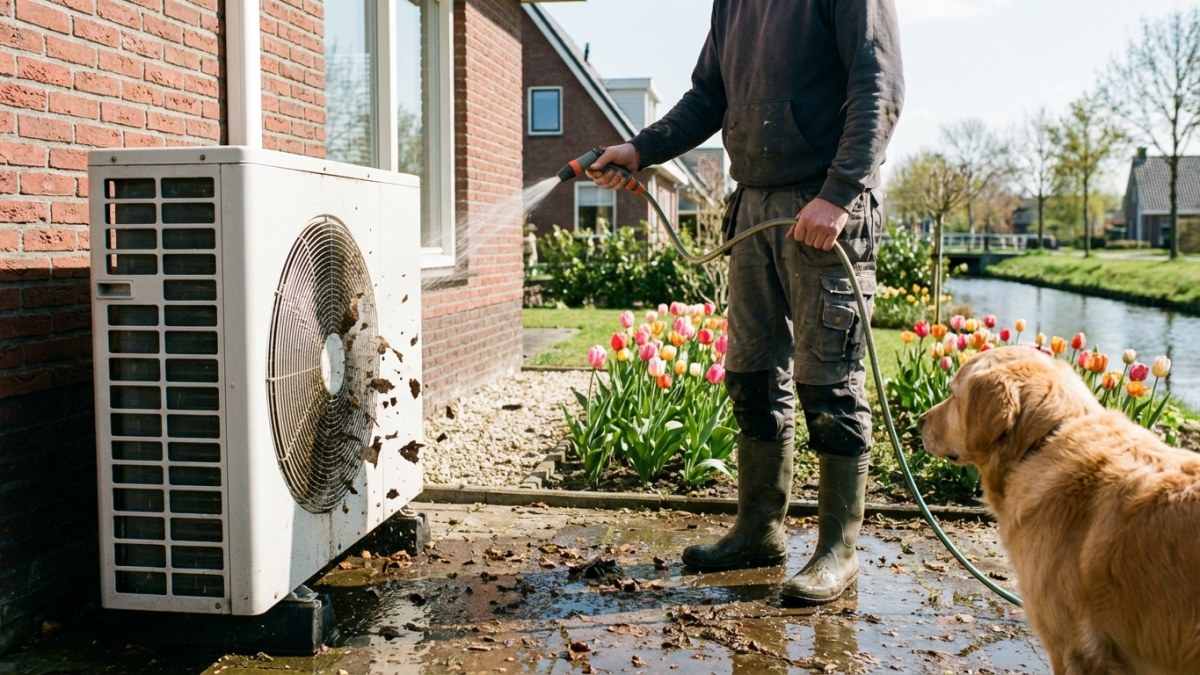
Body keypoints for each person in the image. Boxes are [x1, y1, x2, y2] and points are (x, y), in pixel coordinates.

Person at [586, 0, 903, 604]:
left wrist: (838, 196)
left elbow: (878, 88)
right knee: (751, 375)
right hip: (753, 204)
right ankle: (760, 530)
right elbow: (709, 96)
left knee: (829, 383)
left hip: (824, 208)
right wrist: (642, 148)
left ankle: (840, 550)